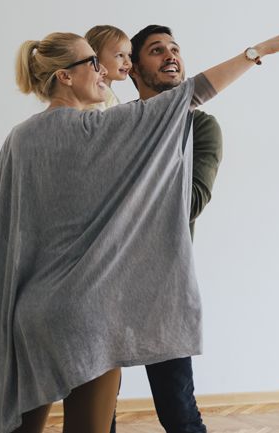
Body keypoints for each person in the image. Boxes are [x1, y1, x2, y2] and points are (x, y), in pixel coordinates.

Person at [0, 14, 279, 433]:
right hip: (87, 314)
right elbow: (199, 90)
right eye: (94, 64)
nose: (104, 71)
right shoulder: (105, 127)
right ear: (65, 75)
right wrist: (259, 50)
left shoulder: (18, 139)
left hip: (31, 314)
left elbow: (9, 228)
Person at [103, 24, 224, 433]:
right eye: (157, 50)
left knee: (179, 413)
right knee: (98, 415)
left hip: (163, 285)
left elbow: (190, 203)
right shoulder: (113, 124)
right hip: (102, 280)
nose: (171, 55)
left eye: (175, 49)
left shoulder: (201, 127)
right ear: (133, 69)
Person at [84, 25, 133, 110]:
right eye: (120, 55)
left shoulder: (105, 92)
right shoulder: (95, 94)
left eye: (129, 55)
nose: (128, 63)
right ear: (95, 56)